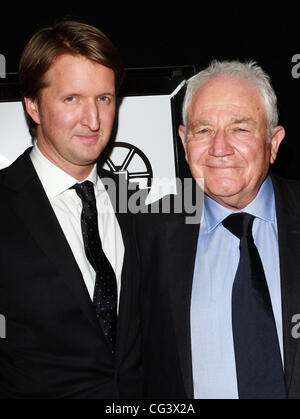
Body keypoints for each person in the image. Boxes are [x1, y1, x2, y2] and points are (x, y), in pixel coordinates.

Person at [136, 60, 300, 399]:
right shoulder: (145, 232)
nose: (220, 148)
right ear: (183, 141)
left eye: (240, 128)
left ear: (274, 142)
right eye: (203, 130)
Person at [0, 20, 142, 398]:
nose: (93, 120)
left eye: (104, 99)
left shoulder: (142, 207)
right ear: (32, 104)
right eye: (71, 99)